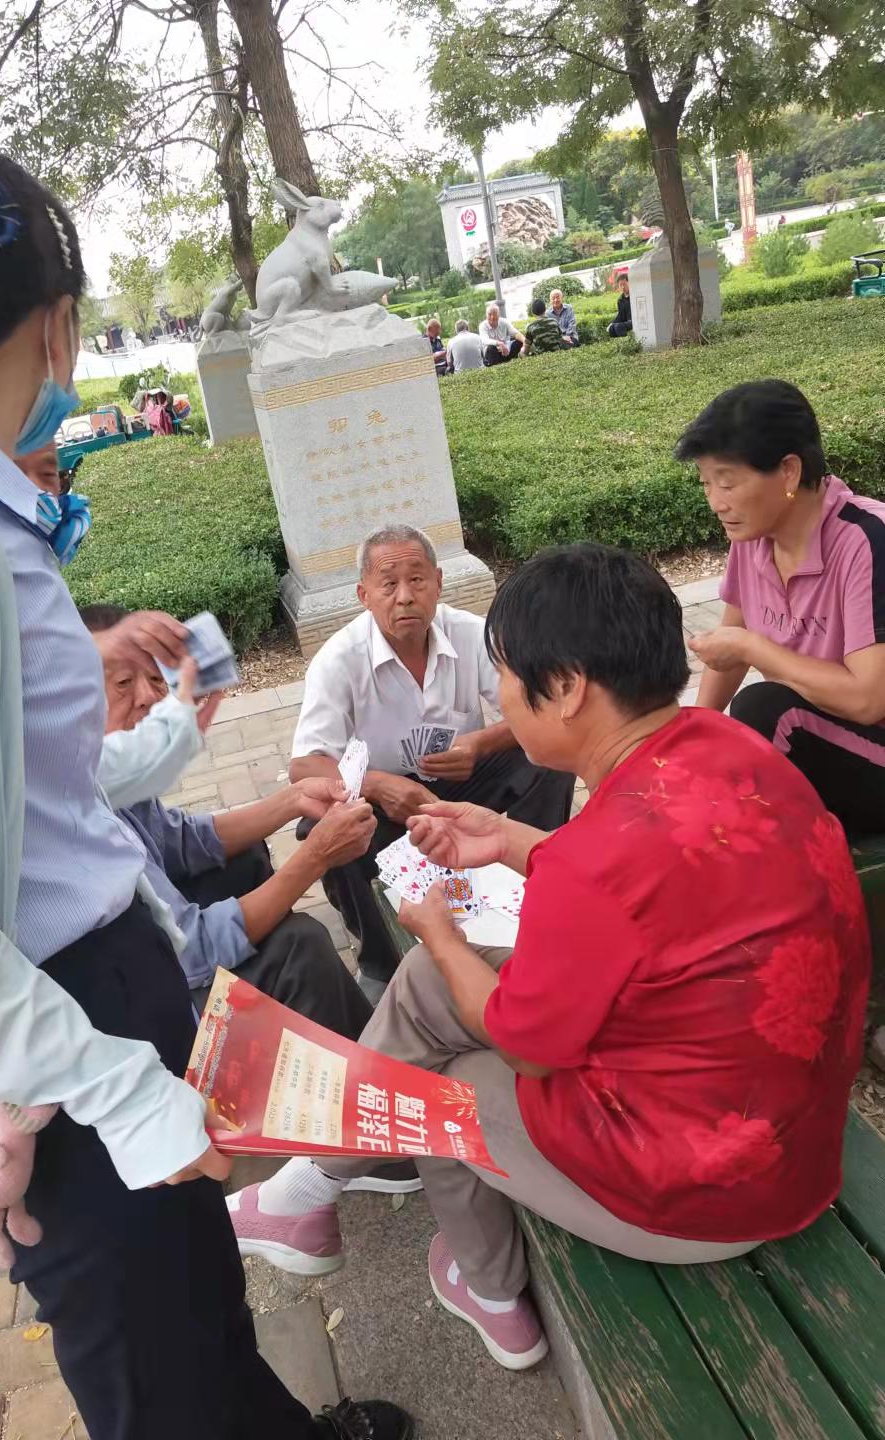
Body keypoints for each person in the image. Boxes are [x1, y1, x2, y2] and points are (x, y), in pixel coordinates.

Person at [0, 147, 411, 1440]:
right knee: (154, 1376)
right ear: (58, 324)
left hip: (99, 1001)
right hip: (63, 1027)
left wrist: (119, 683)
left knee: (193, 1303)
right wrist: (121, 1095)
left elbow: (42, 788)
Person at [229, 542, 869, 1372]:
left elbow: (524, 1044)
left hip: (709, 1195)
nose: (498, 695)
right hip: (783, 1130)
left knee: (440, 1075)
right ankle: (312, 1189)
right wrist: (508, 838)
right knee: (428, 986)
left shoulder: (600, 861)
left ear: (565, 688)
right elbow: (649, 883)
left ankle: (484, 1286)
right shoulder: (724, 743)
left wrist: (439, 931)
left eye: (504, 674)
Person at [289, 524, 574, 995]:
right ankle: (380, 964)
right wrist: (377, 784)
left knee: (545, 757)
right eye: (389, 584)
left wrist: (479, 744)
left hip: (463, 782)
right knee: (324, 823)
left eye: (417, 580)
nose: (405, 596)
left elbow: (537, 711)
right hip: (378, 802)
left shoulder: (472, 634)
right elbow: (304, 765)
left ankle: (537, 889)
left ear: (438, 583)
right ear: (364, 595)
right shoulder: (338, 660)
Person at [82, 604, 376, 1042]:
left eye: (157, 679)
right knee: (300, 948)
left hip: (158, 949)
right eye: (123, 682)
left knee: (245, 857)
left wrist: (293, 799)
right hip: (138, 1011)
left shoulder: (114, 771)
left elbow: (179, 841)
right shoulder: (82, 812)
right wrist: (315, 857)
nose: (147, 697)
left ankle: (305, 1021)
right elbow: (192, 950)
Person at [677, 379, 885, 836]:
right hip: (830, 742)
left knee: (767, 711)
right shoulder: (752, 539)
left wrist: (752, 647)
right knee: (716, 744)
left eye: (727, 483)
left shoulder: (868, 541)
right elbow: (731, 646)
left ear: (789, 471)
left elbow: (868, 700)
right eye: (706, 484)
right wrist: (690, 734)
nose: (716, 502)